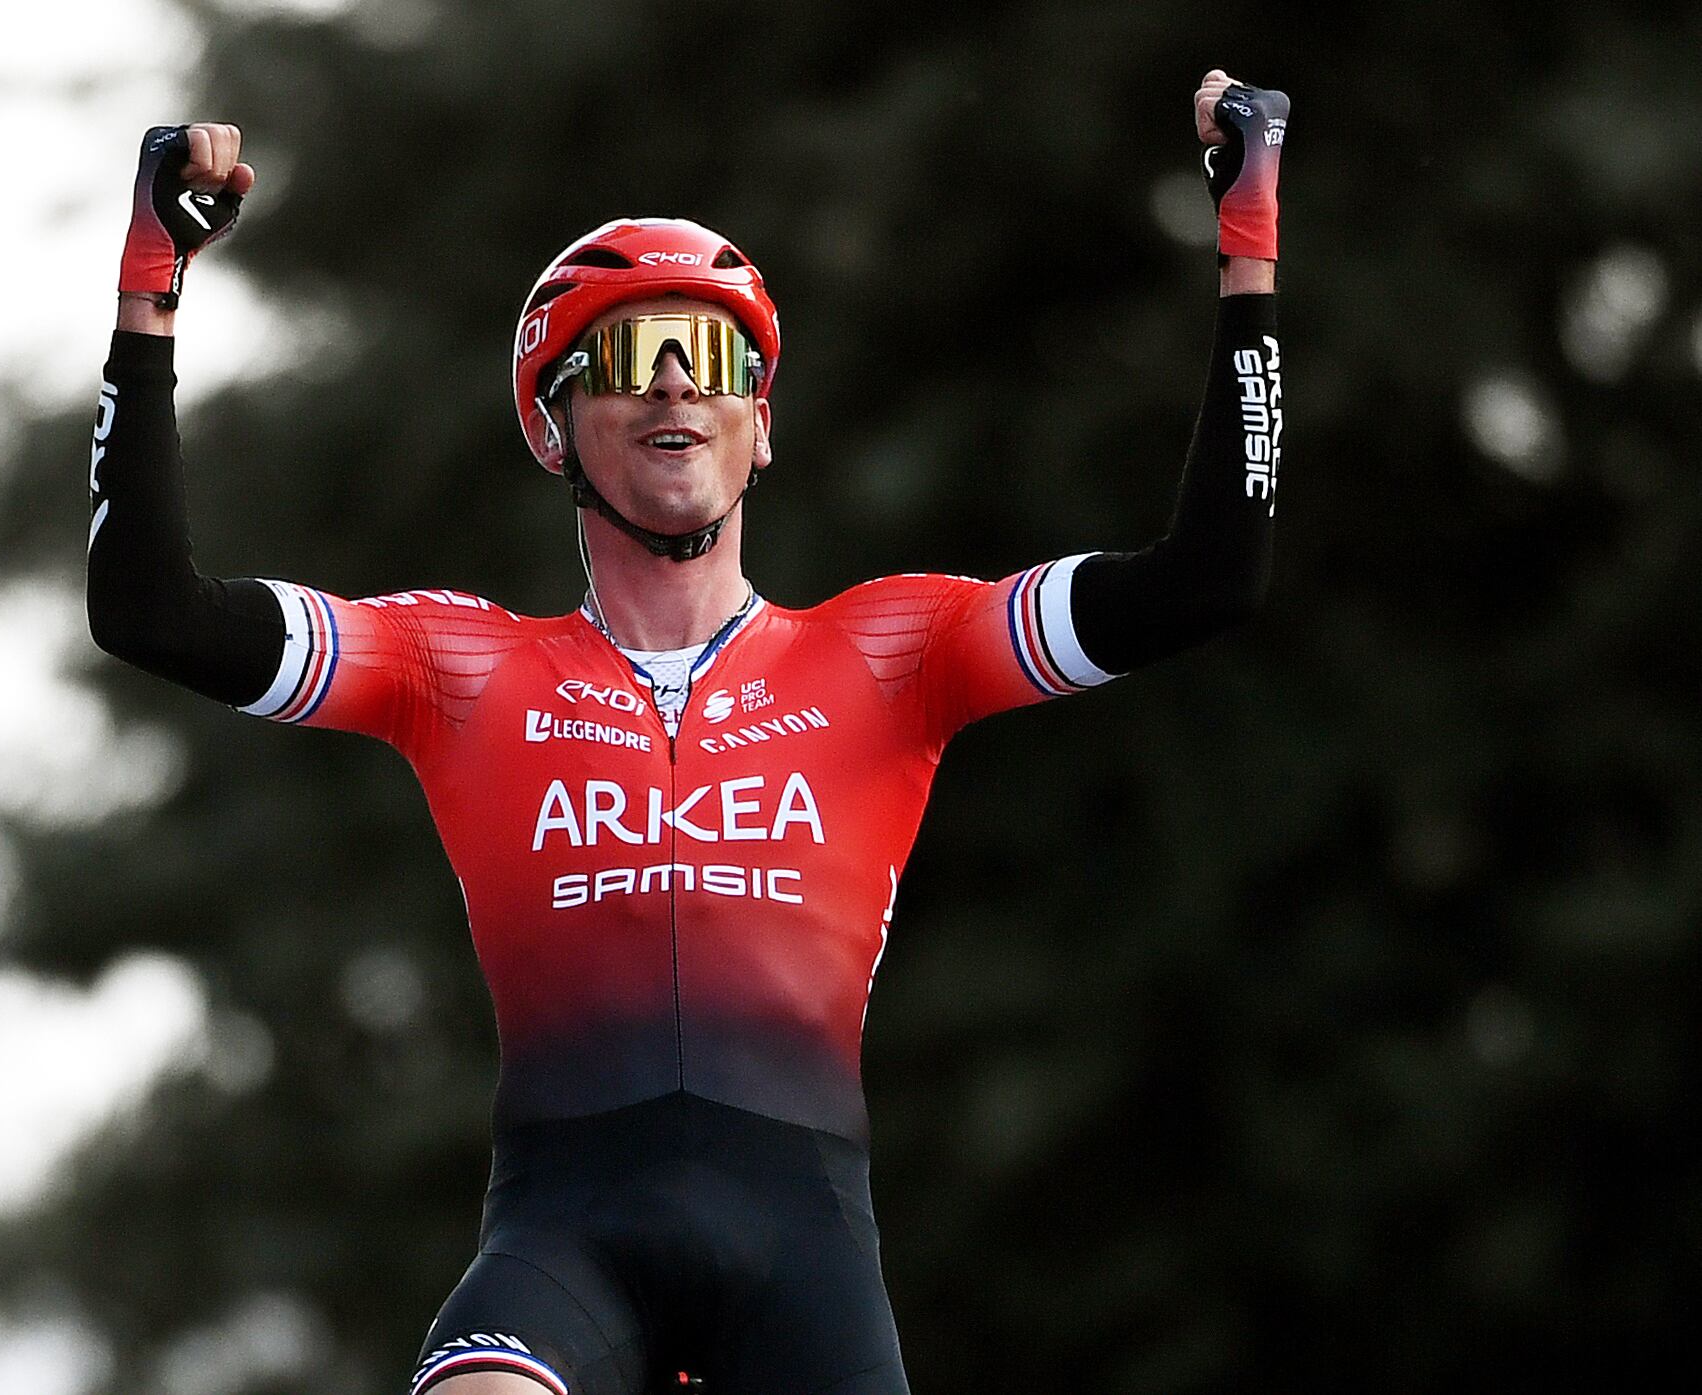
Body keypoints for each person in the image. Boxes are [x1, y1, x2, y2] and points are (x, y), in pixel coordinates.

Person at [88, 68, 1288, 1395]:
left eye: (712, 356)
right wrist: (150, 299)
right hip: (563, 1235)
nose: (672, 385)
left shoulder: (892, 652)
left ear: (759, 427)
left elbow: (1206, 581)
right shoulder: (460, 666)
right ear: (554, 427)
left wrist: (1245, 252)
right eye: (621, 354)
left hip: (802, 1250)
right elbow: (152, 613)